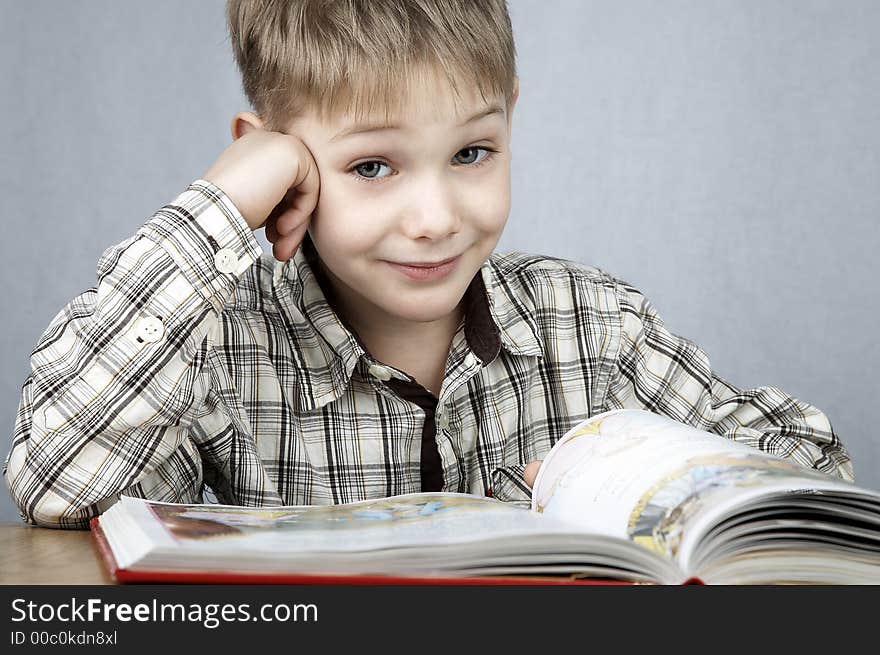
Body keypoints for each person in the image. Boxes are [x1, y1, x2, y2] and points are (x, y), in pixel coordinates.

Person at [4, 0, 853, 529]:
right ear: (271, 158)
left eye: (473, 152)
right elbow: (54, 482)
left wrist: (639, 474)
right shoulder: (217, 354)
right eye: (373, 166)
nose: (438, 218)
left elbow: (810, 467)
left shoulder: (594, 326)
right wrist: (222, 209)